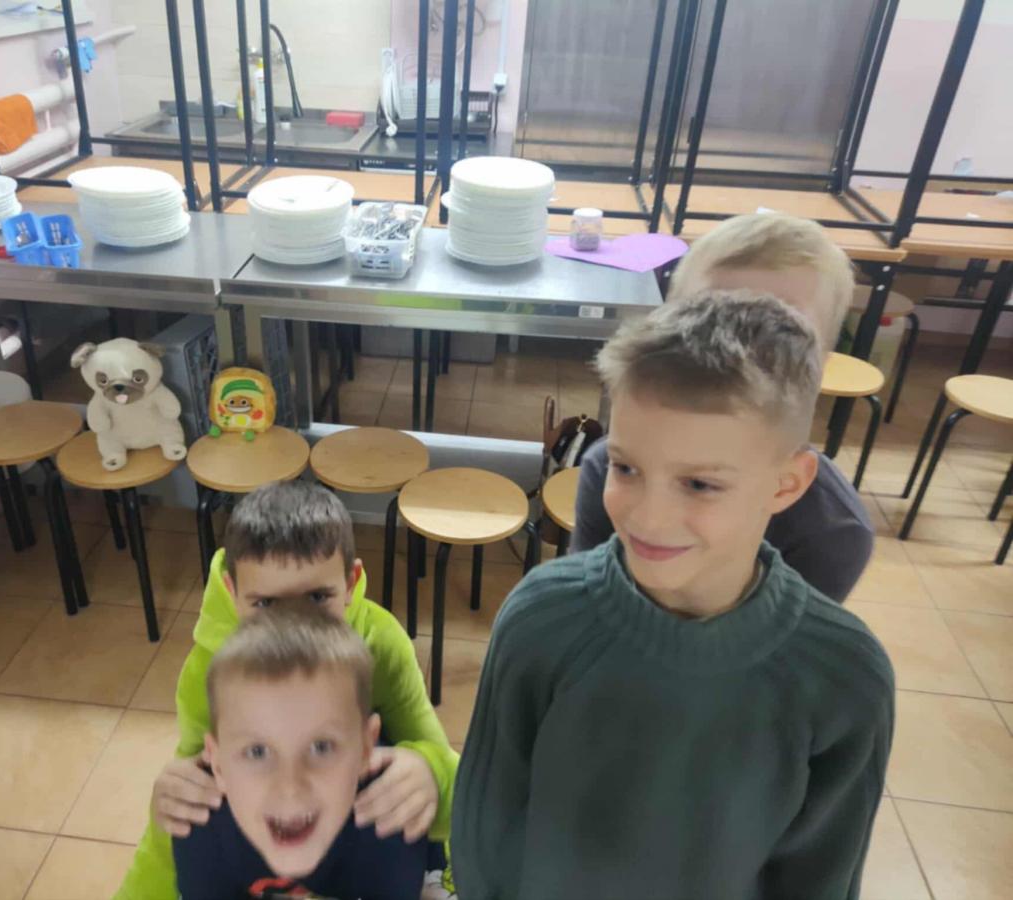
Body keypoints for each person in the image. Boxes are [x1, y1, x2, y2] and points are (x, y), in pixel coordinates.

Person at [453, 293, 894, 899]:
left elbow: (821, 877)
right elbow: (487, 827)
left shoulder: (844, 677)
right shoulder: (540, 620)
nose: (649, 517)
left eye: (700, 484)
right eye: (626, 468)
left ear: (787, 483)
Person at [116, 481, 456, 899]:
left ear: (350, 582)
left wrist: (430, 774)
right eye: (266, 604)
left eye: (317, 597)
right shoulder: (206, 670)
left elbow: (450, 771)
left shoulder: (382, 643)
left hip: (372, 842)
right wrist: (169, 801)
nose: (293, 623)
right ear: (232, 592)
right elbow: (193, 792)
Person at [571, 213, 872, 603]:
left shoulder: (832, 532)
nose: (733, 347)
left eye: (782, 327)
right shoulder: (607, 470)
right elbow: (585, 600)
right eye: (707, 317)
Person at [173, 606, 428, 900]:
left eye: (321, 747)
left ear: (365, 750)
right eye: (257, 751)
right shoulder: (198, 819)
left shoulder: (393, 817)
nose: (290, 787)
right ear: (217, 764)